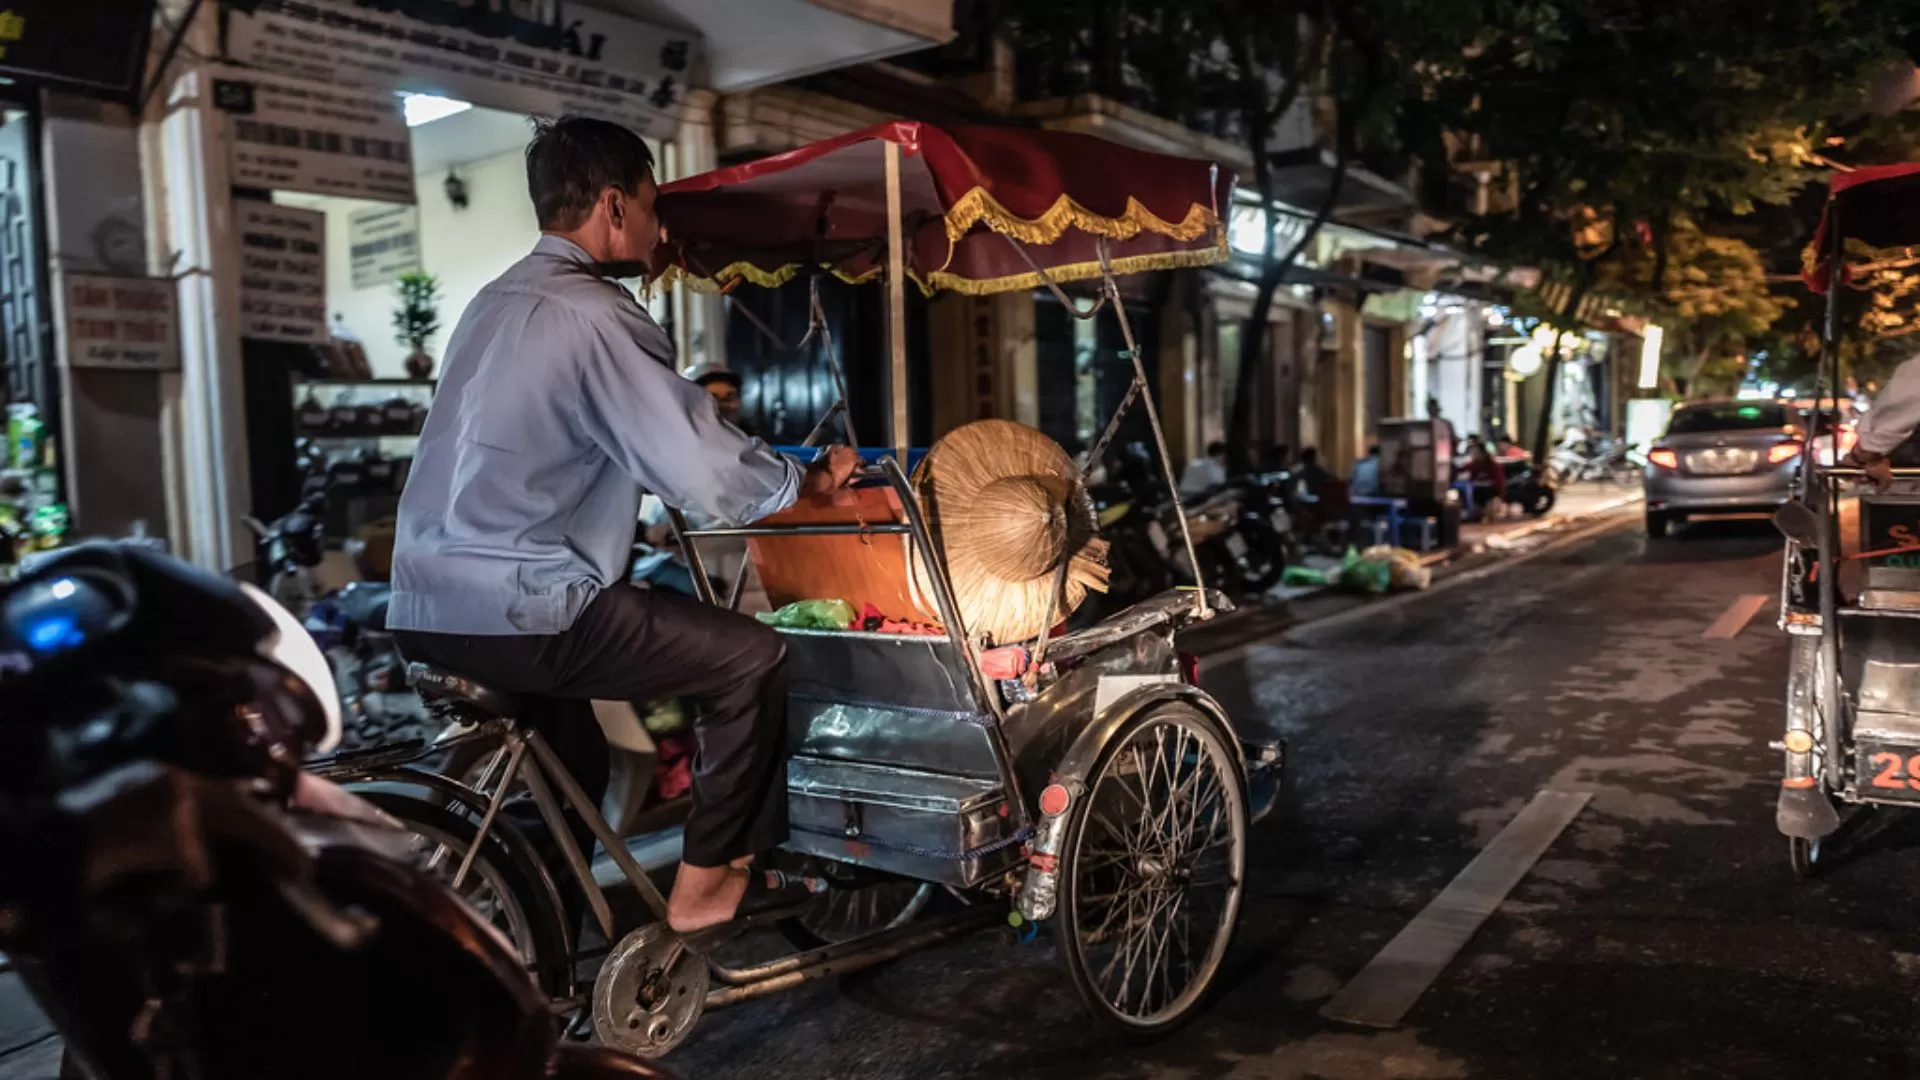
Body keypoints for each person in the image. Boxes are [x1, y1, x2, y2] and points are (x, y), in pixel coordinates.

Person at [385, 115, 860, 938]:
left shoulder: (491, 305)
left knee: (570, 764)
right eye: (648, 208)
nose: (656, 227)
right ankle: (709, 881)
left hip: (427, 604)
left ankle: (542, 952)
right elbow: (703, 466)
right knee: (752, 657)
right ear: (612, 207)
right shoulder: (593, 314)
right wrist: (807, 479)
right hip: (527, 603)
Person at [1461, 439, 1508, 512]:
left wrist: (1500, 497)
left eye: (1476, 452)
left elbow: (1500, 483)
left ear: (1483, 453)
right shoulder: (1473, 465)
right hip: (1476, 493)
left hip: (1490, 493)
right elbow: (1461, 471)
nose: (1473, 455)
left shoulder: (1493, 465)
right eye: (1472, 453)